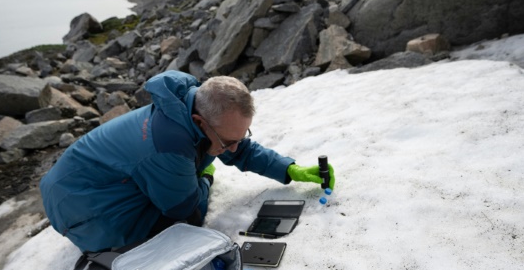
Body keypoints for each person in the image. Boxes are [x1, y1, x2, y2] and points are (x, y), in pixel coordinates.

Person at [40, 70, 335, 253]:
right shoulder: (169, 145)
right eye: (228, 142)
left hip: (85, 180)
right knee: (178, 223)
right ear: (199, 122)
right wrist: (205, 177)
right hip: (78, 210)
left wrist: (289, 168)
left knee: (185, 180)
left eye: (241, 135)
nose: (234, 147)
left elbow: (239, 149)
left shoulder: (192, 106)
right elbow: (185, 212)